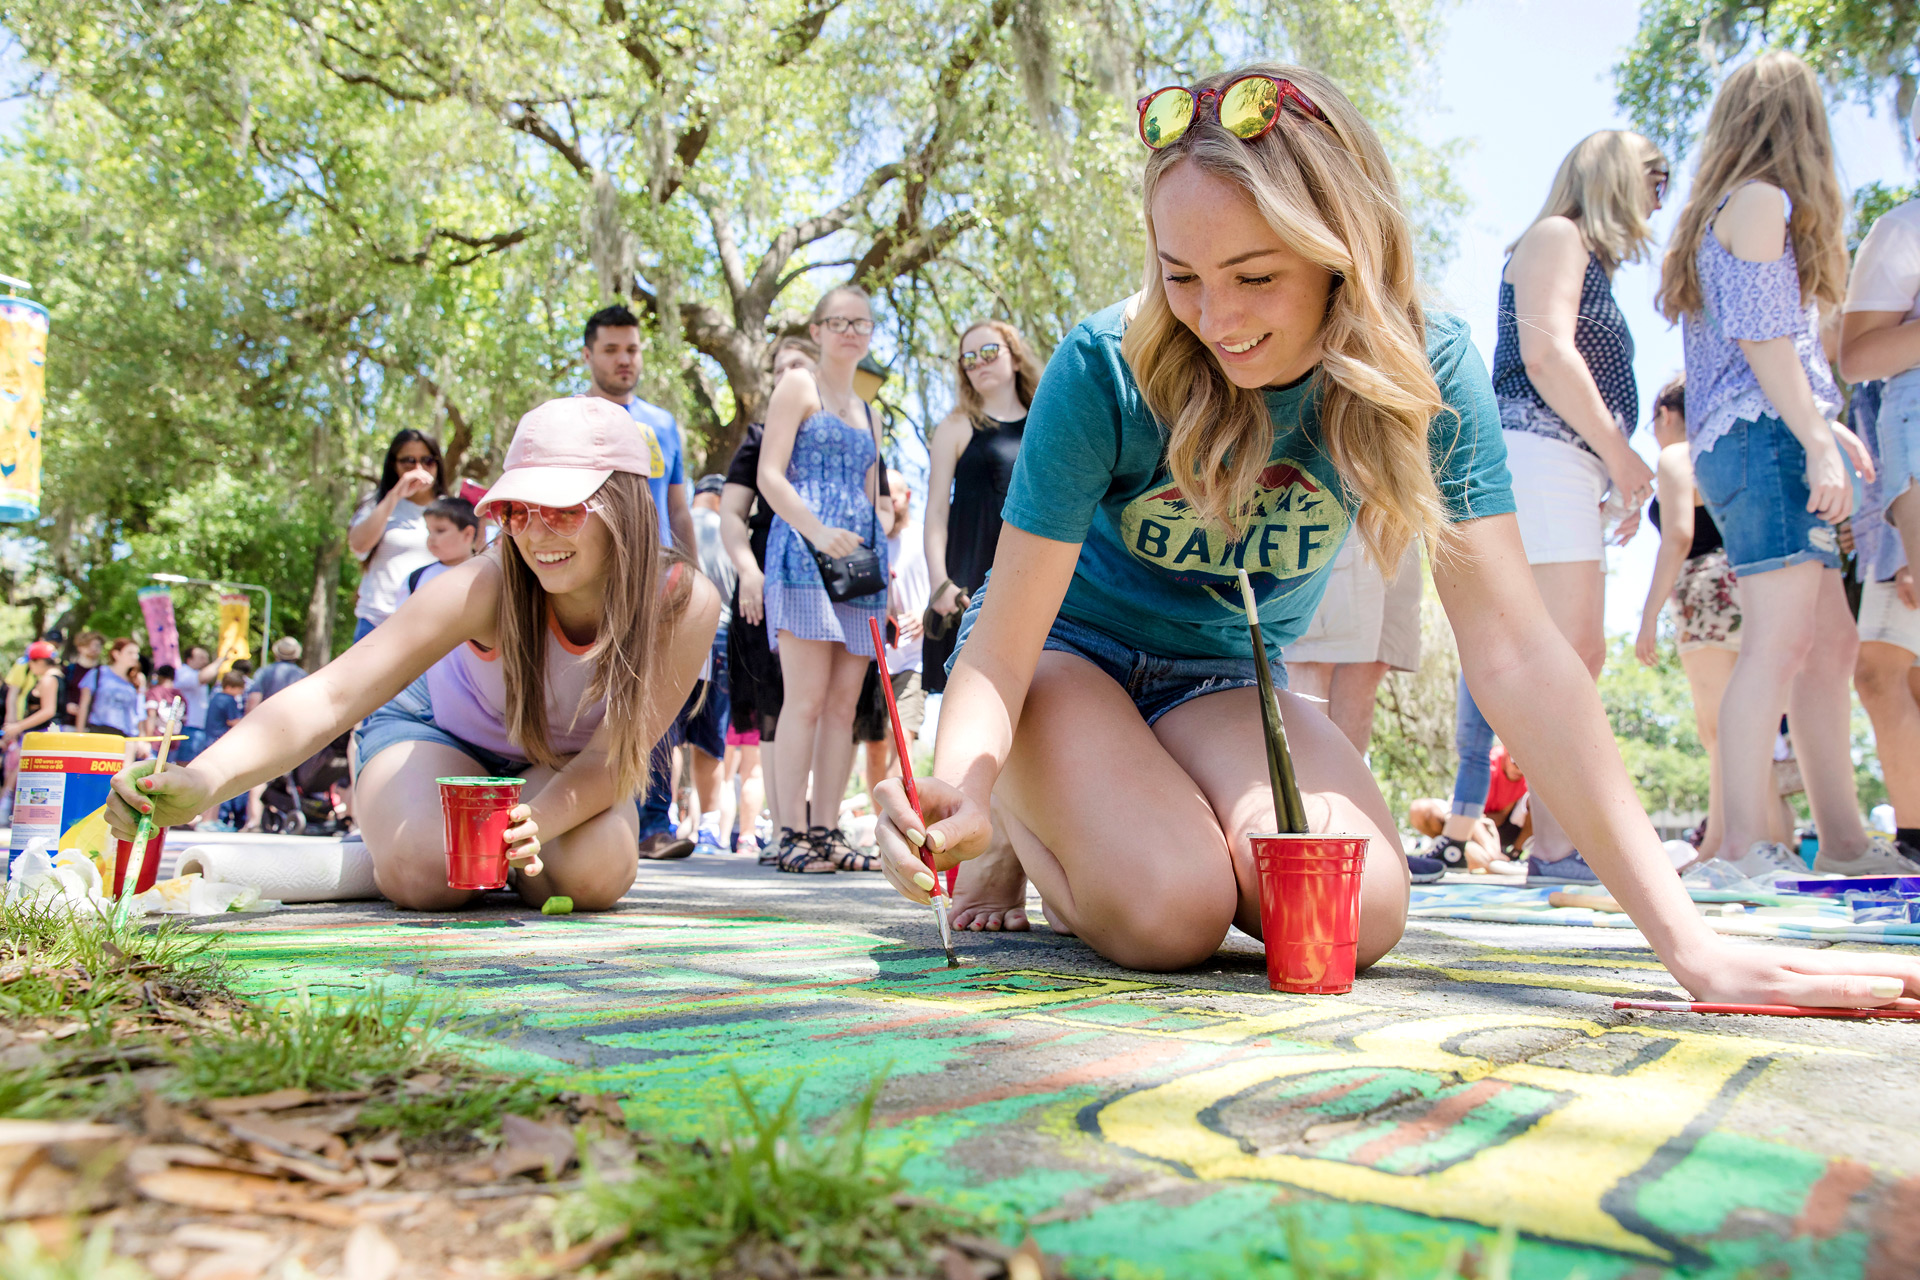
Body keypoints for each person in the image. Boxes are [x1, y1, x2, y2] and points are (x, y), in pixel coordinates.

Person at [865, 62, 1920, 1010]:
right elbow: (1001, 643)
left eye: (1255, 274)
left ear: (1343, 252)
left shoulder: (1429, 365)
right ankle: (1027, 829)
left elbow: (1515, 653)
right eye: (1180, 273)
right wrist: (962, 786)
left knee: (1354, 914)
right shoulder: (1106, 365)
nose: (1213, 315)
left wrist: (1693, 948)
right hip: (1068, 663)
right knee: (1165, 911)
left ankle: (1119, 812)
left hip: (1227, 677)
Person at [106, 397, 720, 912]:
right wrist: (203, 781)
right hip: (432, 733)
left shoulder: (681, 602)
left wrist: (538, 819)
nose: (535, 535)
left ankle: (467, 841)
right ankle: (396, 832)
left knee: (595, 875)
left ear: (626, 507)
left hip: (558, 763)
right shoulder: (485, 584)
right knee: (430, 873)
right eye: (515, 511)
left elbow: (613, 754)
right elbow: (332, 694)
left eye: (564, 509)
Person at [1657, 50, 1908, 878]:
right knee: (1780, 641)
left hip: (1766, 435)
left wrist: (1826, 430)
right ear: (1799, 118)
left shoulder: (1731, 208)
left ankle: (1842, 841)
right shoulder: (1761, 200)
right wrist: (1811, 435)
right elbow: (1764, 342)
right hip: (1763, 439)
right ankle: (1739, 844)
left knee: (1827, 645)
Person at [1480, 128, 1666, 886]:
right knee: (1564, 655)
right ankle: (1559, 845)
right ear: (1612, 174)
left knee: (1577, 653)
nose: (1664, 188)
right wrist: (1619, 453)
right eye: (1655, 172)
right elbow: (1546, 353)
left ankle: (1560, 840)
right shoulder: (1558, 236)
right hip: (1540, 449)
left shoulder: (1590, 260)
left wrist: (1607, 468)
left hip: (1569, 463)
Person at [759, 286, 896, 873]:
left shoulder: (871, 411)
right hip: (803, 549)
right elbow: (769, 475)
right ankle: (789, 830)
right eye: (837, 321)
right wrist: (817, 532)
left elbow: (874, 495)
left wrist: (880, 531)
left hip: (859, 561)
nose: (850, 331)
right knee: (807, 697)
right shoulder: (797, 385)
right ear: (816, 330)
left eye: (860, 322)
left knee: (844, 706)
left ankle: (825, 829)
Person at [581, 303, 699, 859]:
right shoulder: (570, 417)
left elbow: (678, 505)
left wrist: (695, 580)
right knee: (591, 694)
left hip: (655, 578)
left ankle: (654, 822)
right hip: (589, 577)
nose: (624, 360)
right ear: (588, 355)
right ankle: (591, 810)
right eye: (611, 349)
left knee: (655, 695)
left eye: (632, 349)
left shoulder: (663, 424)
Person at [721, 337, 822, 855]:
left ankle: (817, 829)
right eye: (780, 369)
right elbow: (731, 517)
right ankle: (786, 832)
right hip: (766, 581)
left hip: (831, 580)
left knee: (827, 705)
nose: (790, 376)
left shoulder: (842, 433)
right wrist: (749, 572)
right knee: (775, 705)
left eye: (799, 366)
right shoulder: (758, 438)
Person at [1632, 376, 1740, 857]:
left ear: (1667, 414)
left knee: (1717, 727)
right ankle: (1758, 837)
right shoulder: (1730, 446)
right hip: (1748, 583)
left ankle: (1720, 843)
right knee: (1743, 717)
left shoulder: (1679, 455)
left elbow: (1678, 535)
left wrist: (1649, 613)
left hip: (1707, 584)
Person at [922, 321, 1040, 693]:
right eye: (968, 359)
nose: (979, 364)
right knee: (973, 690)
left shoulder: (1047, 420)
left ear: (1015, 359)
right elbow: (937, 511)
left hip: (1035, 574)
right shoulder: (955, 426)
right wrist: (939, 582)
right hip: (968, 580)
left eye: (989, 353)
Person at [1282, 542, 1421, 755]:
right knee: (1315, 656)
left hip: (1397, 520)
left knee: (1374, 660)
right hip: (1347, 523)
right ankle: (1309, 784)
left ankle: (1343, 784)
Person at [855, 470, 930, 800]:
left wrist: (924, 614)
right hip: (872, 658)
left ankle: (901, 826)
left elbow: (940, 588)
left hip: (914, 659)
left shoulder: (925, 538)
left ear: (908, 497)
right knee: (874, 747)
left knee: (902, 739)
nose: (885, 505)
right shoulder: (870, 542)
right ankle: (879, 832)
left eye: (892, 498)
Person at [349, 430, 446, 641]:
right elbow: (358, 545)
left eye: (427, 460)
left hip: (431, 627)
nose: (418, 469)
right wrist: (395, 496)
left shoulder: (451, 508)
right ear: (394, 464)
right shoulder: (377, 503)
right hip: (377, 623)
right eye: (408, 461)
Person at [685, 474, 736, 855]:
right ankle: (706, 828)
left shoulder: (673, 523)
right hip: (718, 634)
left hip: (671, 632)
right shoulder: (728, 530)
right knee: (710, 739)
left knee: (665, 737)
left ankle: (660, 821)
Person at [1408, 740, 1530, 870]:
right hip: (1463, 821)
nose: (1519, 769)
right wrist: (1489, 847)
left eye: (1524, 765)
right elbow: (1468, 809)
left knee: (1537, 804)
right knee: (1420, 809)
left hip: (1493, 828)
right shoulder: (1487, 764)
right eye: (1515, 762)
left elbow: (1501, 816)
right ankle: (1449, 848)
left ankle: (1512, 855)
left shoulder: (1526, 777)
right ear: (1506, 752)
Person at [397, 496, 484, 604]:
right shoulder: (416, 578)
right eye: (429, 531)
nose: (431, 538)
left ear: (468, 534)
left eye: (440, 530)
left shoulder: (487, 575)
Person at [75, 638, 146, 741]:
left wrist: (142, 739)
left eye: (136, 653)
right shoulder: (98, 673)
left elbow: (140, 711)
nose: (135, 657)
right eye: (130, 653)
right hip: (99, 734)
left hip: (127, 738)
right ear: (116, 654)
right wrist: (79, 735)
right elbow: (84, 706)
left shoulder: (138, 679)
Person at [247, 637, 309, 712]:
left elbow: (254, 698)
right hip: (291, 718)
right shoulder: (302, 675)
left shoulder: (263, 672)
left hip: (266, 717)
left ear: (276, 653)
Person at [59, 631, 103, 729]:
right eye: (88, 645)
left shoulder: (104, 673)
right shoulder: (68, 670)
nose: (93, 649)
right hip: (69, 724)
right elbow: (59, 694)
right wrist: (66, 705)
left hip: (95, 726)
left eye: (97, 645)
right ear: (80, 647)